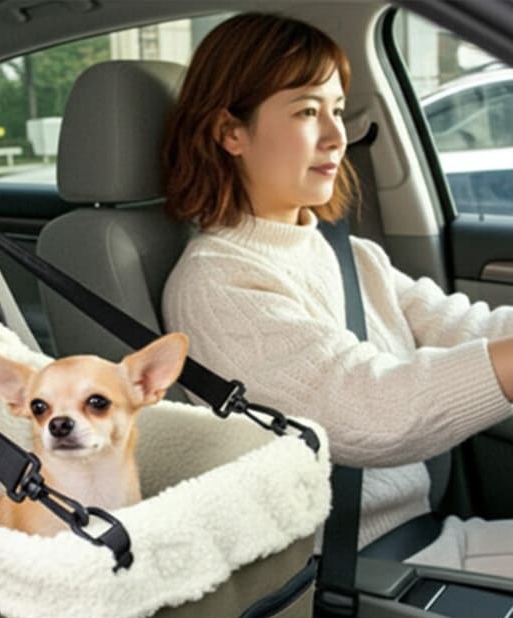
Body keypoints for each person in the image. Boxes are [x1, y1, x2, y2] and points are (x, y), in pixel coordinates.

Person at [161, 11, 513, 577]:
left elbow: (464, 326)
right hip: (350, 577)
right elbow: (373, 410)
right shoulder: (217, 286)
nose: (336, 136)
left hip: (424, 542)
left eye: (338, 110)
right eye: (305, 111)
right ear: (231, 132)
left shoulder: (351, 256)